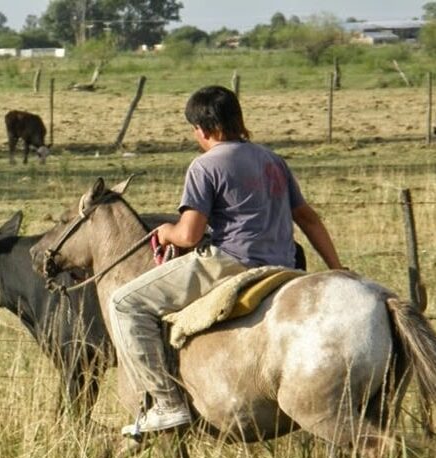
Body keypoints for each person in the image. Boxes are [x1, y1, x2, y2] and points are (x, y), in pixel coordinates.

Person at [108, 85, 344, 439]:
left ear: (202, 129)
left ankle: (166, 405)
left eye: (194, 130)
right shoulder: (272, 161)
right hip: (285, 264)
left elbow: (189, 235)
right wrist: (337, 269)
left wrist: (166, 232)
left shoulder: (205, 166)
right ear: (237, 120)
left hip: (230, 263)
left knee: (125, 303)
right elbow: (308, 219)